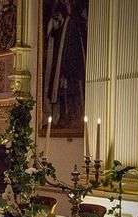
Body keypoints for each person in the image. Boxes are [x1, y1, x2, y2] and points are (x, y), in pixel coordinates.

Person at [43, 0, 87, 128]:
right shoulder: (60, 8)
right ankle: (63, 115)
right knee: (62, 84)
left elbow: (83, 20)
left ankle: (74, 114)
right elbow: (53, 29)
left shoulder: (77, 12)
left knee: (73, 82)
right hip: (63, 50)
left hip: (74, 48)